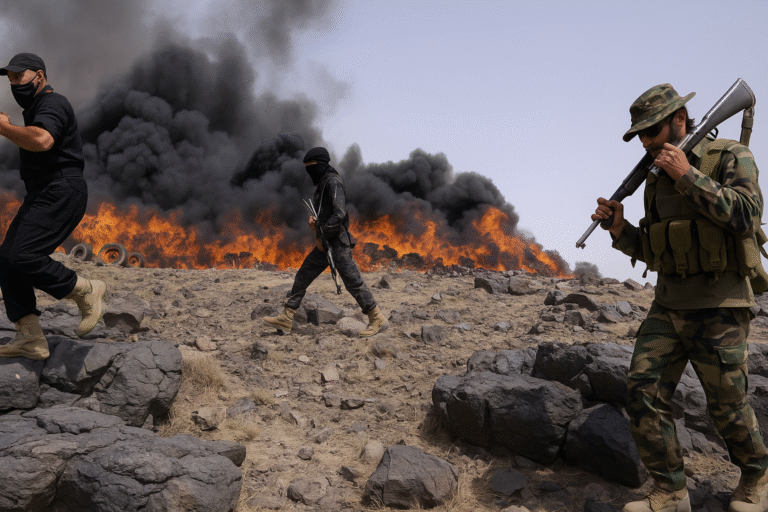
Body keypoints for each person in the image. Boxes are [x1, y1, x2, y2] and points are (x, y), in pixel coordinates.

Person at [592, 83, 768, 512]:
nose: (648, 142)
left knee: (726, 405)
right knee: (642, 392)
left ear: (680, 121)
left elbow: (746, 215)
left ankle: (757, 479)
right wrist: (620, 230)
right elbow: (660, 250)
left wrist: (687, 176)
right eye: (642, 136)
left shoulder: (729, 155)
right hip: (669, 305)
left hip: (721, 304)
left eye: (653, 131)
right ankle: (670, 492)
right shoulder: (654, 178)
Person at [0, 53, 106, 360]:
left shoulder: (52, 103)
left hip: (61, 189)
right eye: (10, 80)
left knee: (23, 254)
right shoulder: (35, 108)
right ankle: (30, 337)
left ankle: (86, 289)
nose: (14, 84)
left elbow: (44, 140)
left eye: (19, 77)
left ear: (40, 76)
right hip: (43, 191)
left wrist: (3, 127)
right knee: (6, 259)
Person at [264, 147, 388, 337]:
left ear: (321, 165)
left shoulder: (333, 182)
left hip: (337, 242)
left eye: (311, 167)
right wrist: (316, 223)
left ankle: (376, 317)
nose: (309, 172)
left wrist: (323, 229)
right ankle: (287, 317)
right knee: (304, 274)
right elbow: (326, 214)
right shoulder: (323, 183)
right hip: (325, 244)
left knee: (352, 281)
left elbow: (339, 214)